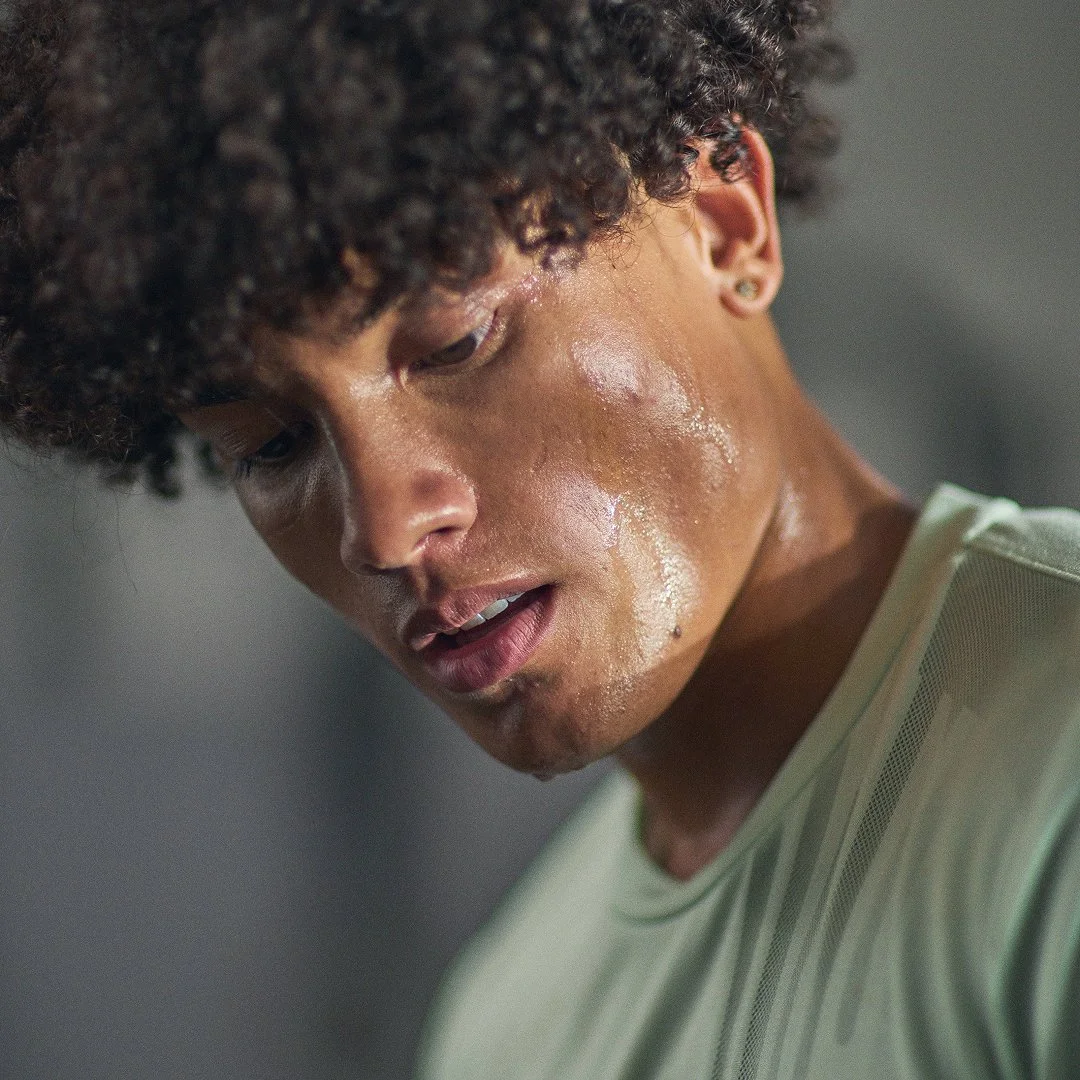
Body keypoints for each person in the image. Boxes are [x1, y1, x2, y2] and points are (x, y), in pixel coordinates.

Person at [1, 2, 1077, 1078]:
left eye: (458, 343)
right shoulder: (504, 1026)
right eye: (273, 446)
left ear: (723, 222)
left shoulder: (1055, 782)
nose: (384, 528)